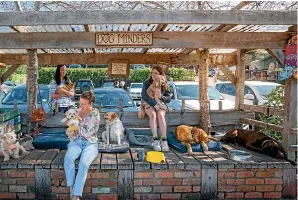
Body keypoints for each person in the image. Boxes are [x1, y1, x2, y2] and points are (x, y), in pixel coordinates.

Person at [64, 91, 100, 200]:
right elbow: (68, 122)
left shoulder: (95, 113)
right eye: (80, 103)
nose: (81, 106)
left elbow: (89, 131)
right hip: (77, 142)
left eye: (83, 104)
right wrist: (69, 128)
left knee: (84, 163)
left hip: (90, 144)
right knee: (68, 158)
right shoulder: (77, 111)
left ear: (90, 104)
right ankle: (71, 188)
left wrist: (76, 127)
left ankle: (76, 194)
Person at [141, 66, 172, 152]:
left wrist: (161, 97)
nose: (153, 75)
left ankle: (164, 140)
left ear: (161, 75)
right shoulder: (147, 82)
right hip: (148, 103)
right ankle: (155, 140)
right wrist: (154, 104)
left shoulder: (165, 84)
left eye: (156, 73)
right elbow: (144, 96)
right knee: (153, 115)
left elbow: (168, 98)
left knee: (161, 116)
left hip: (160, 103)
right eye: (152, 73)